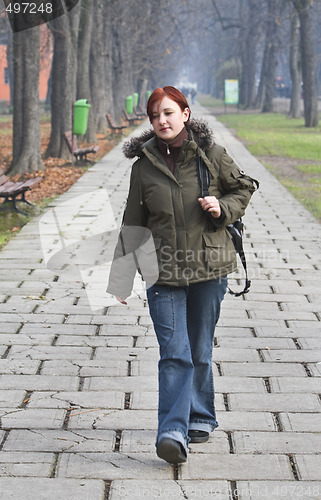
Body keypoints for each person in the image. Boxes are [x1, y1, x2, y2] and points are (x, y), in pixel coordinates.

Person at [107, 86, 258, 464]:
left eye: (169, 113)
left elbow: (245, 188)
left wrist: (222, 207)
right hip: (163, 272)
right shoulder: (143, 166)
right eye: (155, 115)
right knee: (174, 354)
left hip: (209, 268)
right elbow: (133, 221)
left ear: (185, 114)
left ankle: (201, 416)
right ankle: (172, 431)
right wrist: (122, 278)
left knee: (200, 350)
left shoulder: (212, 155)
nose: (161, 121)